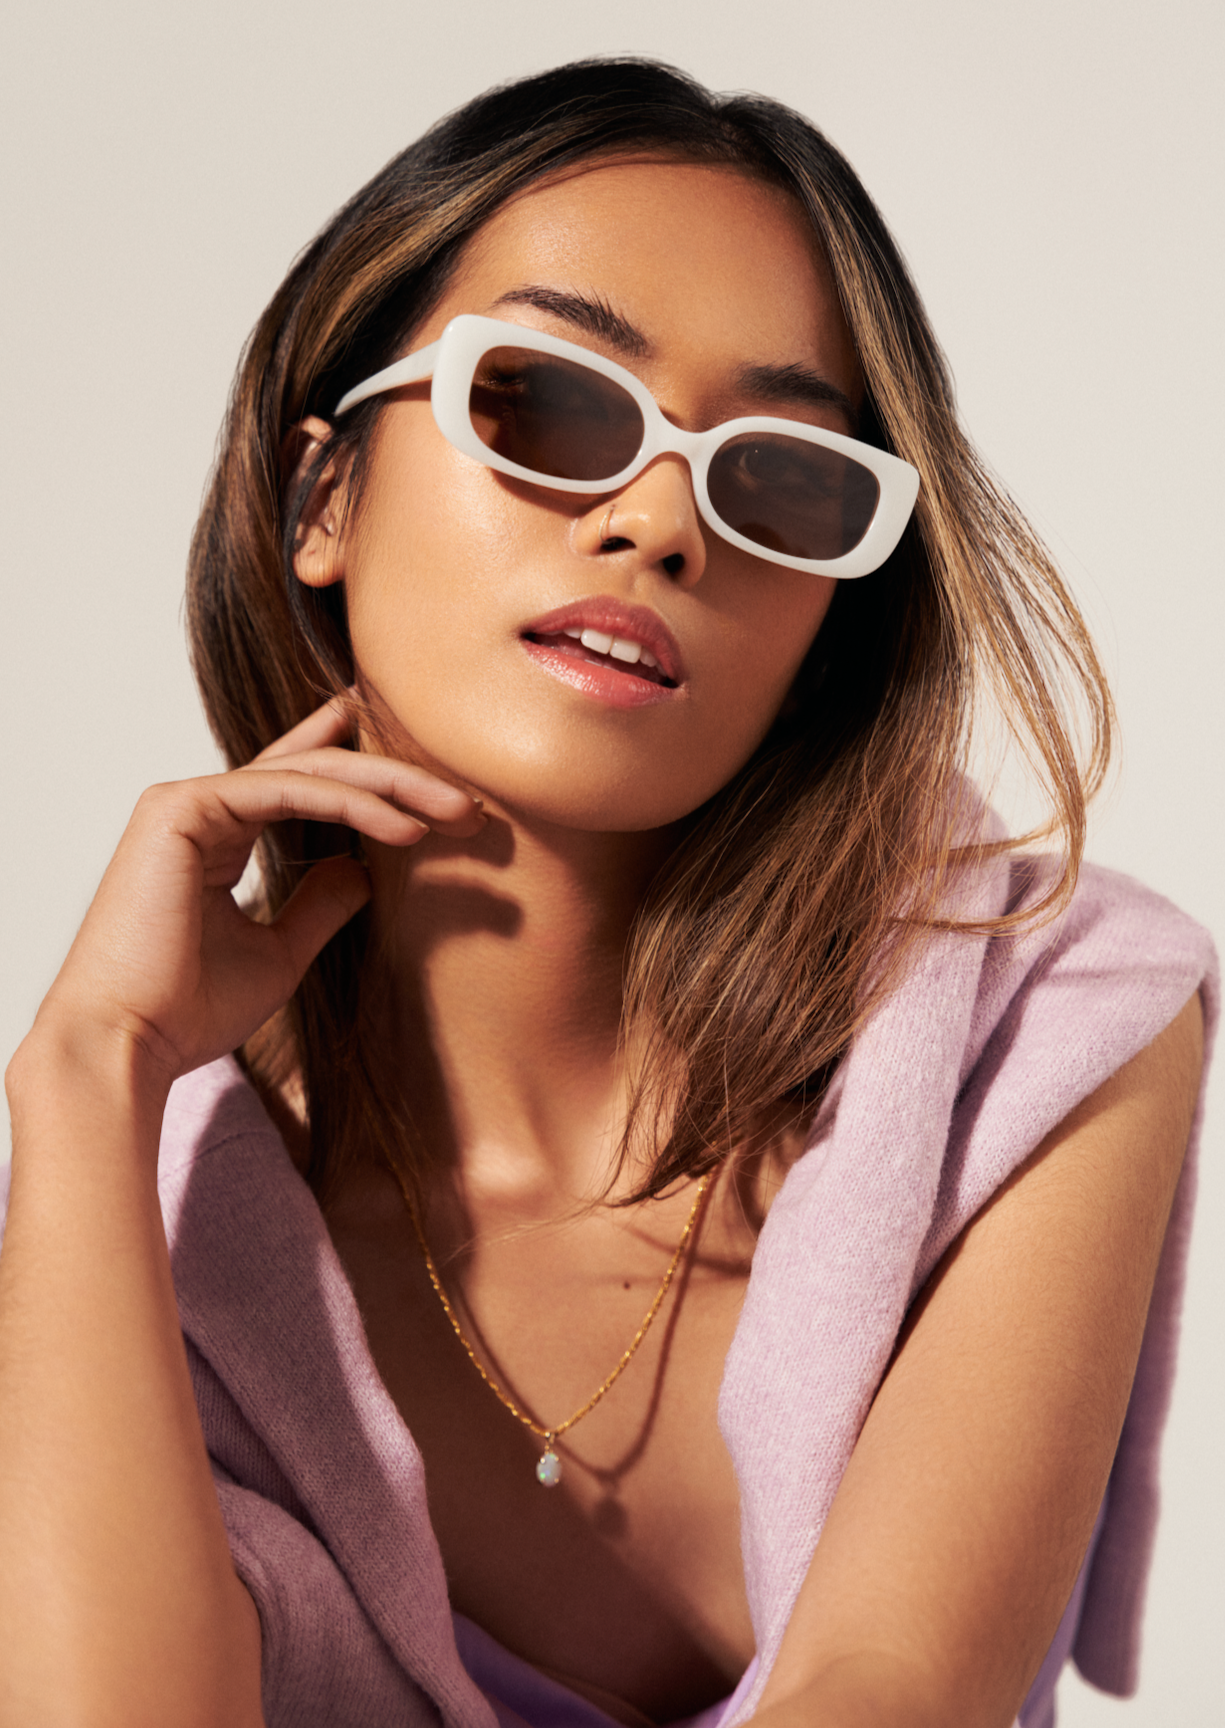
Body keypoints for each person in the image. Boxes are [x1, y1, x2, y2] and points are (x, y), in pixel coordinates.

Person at [0, 56, 1213, 1728]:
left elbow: (892, 1689)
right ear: (321, 495)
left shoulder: (1046, 1018)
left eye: (781, 478)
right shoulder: (141, 1255)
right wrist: (79, 1073)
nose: (657, 522)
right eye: (551, 404)